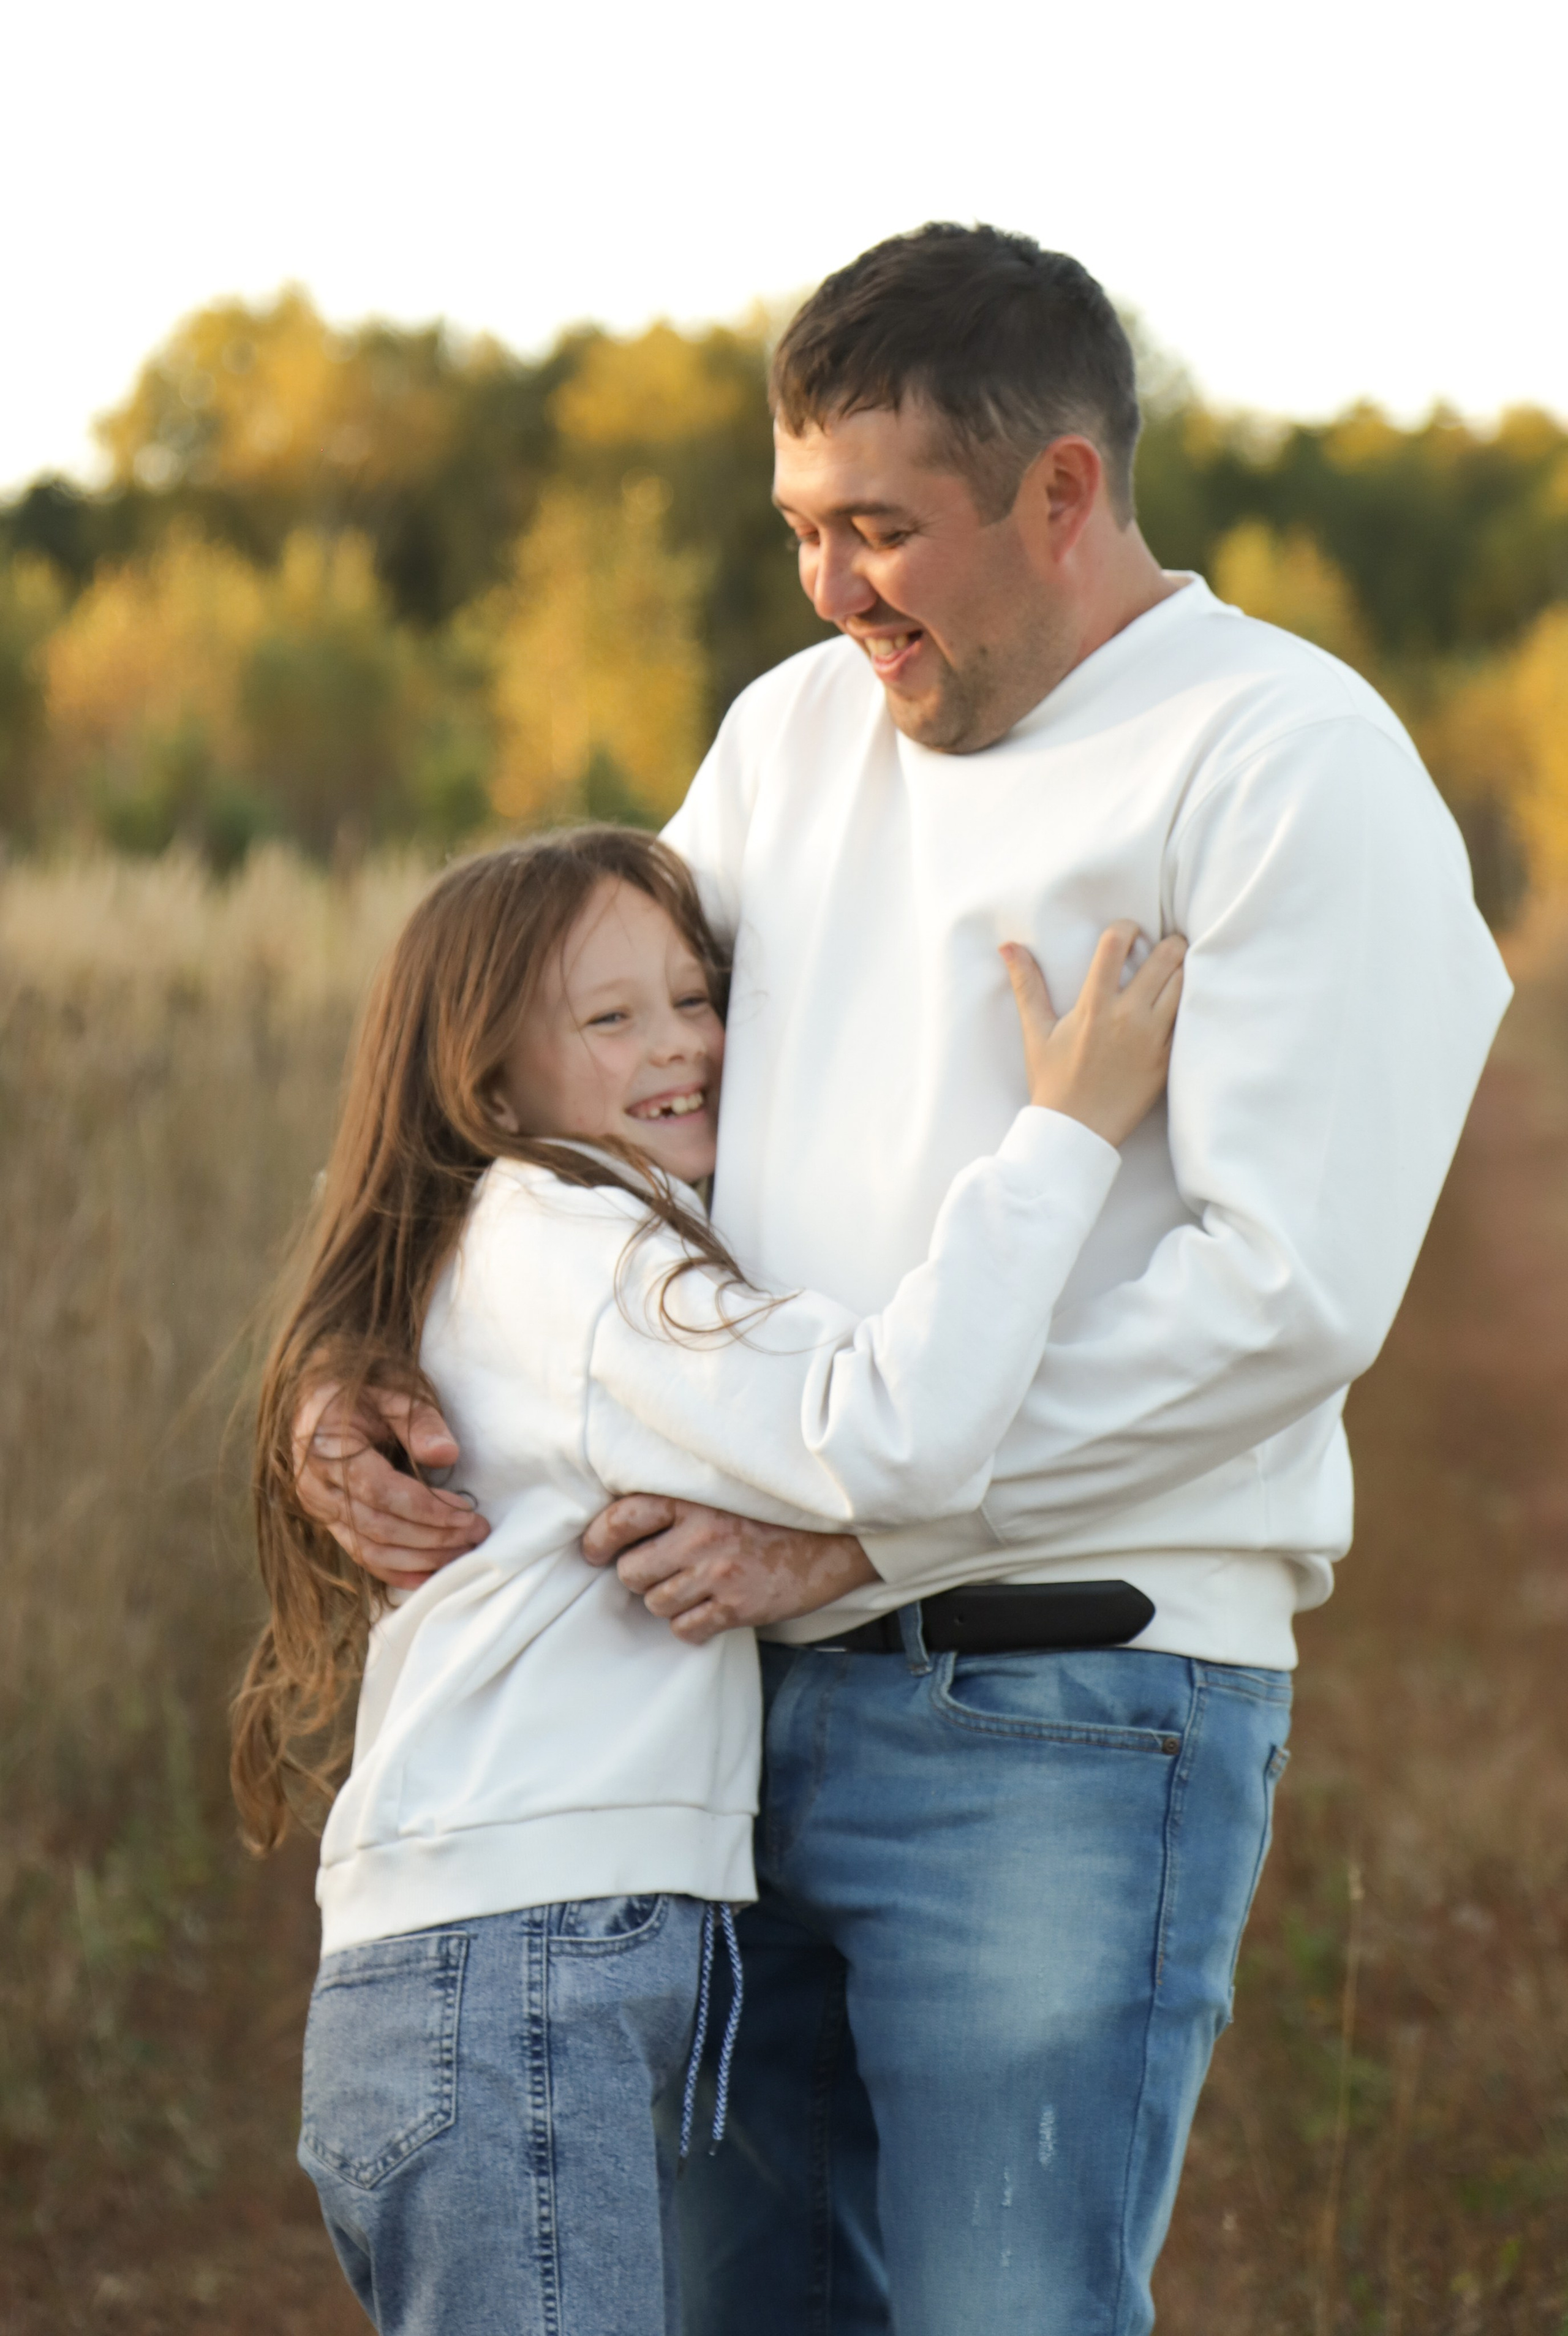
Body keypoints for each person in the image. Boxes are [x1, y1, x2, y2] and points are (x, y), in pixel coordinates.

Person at [295, 226, 1512, 2334]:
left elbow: (1284, 1294)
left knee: (996, 2310)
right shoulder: (790, 738)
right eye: (800, 527)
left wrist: (852, 1509)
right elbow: (571, 1083)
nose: (830, 588)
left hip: (1061, 1702)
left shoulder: (1288, 763)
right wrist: (353, 1367)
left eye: (880, 528)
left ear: (1060, 491)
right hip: (724, 1715)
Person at [241, 822, 1184, 2335]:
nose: (680, 1043)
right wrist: (1064, 1132)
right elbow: (889, 1432)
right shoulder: (578, 1248)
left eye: (695, 996)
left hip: (485, 1978)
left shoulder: (499, 1241)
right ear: (488, 1085)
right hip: (520, 1978)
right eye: (609, 1019)